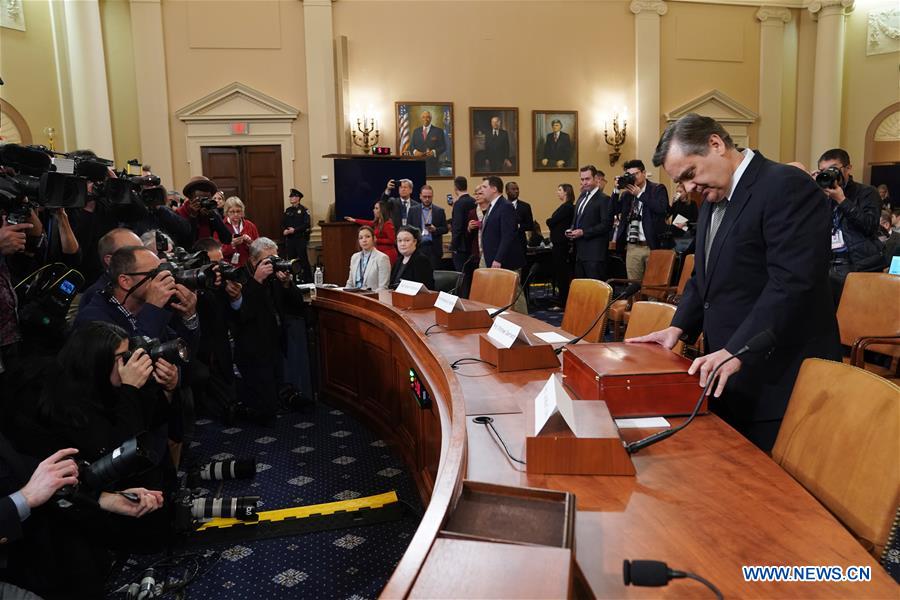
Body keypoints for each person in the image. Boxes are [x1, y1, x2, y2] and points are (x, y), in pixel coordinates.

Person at [628, 113, 841, 452]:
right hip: (728, 371)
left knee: (776, 494)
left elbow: (792, 282)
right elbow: (705, 276)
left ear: (716, 144)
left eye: (689, 174)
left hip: (777, 378)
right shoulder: (716, 196)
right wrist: (678, 328)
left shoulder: (785, 185)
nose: (687, 189)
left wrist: (738, 350)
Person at [0, 438, 162, 599]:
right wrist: (23, 498)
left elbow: (26, 472)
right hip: (22, 569)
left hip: (61, 543)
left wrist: (104, 499)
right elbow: (28, 491)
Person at [229, 238, 306, 425]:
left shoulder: (276, 278)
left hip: (275, 342)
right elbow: (243, 315)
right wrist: (257, 281)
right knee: (264, 409)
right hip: (252, 348)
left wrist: (288, 284)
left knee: (275, 393)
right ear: (255, 261)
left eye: (276, 257)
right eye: (268, 260)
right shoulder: (242, 278)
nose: (274, 263)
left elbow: (297, 307)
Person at [812, 148, 884, 305]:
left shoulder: (866, 192)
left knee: (855, 315)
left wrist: (842, 200)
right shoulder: (821, 195)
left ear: (848, 168)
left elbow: (869, 226)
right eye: (823, 171)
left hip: (856, 264)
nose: (829, 174)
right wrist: (811, 190)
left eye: (833, 169)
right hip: (827, 264)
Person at [611, 159, 670, 280]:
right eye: (629, 175)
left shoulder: (657, 189)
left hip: (652, 246)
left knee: (653, 287)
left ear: (644, 172)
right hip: (632, 247)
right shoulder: (627, 194)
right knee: (633, 287)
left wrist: (640, 195)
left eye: (636, 174)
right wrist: (616, 190)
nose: (633, 177)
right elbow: (612, 211)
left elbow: (662, 209)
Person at [77, 228, 143, 312]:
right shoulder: (97, 295)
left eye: (143, 249)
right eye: (131, 253)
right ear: (110, 260)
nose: (143, 256)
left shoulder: (144, 283)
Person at [566, 165, 613, 280]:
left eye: (587, 179)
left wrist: (583, 232)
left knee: (595, 292)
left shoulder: (603, 199)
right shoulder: (582, 197)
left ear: (596, 179)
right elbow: (577, 219)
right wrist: (571, 230)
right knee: (582, 291)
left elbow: (606, 225)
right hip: (579, 253)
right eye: (582, 179)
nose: (584, 182)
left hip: (595, 254)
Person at [478, 176, 524, 271]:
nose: (481, 190)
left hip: (504, 262)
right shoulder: (491, 206)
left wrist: (498, 259)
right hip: (491, 258)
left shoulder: (505, 206)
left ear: (494, 189)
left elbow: (507, 235)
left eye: (484, 187)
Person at [175, 176, 233, 245]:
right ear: (191, 199)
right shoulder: (180, 212)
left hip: (208, 252)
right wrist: (193, 216)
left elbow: (227, 239)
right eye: (201, 199)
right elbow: (187, 243)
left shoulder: (211, 212)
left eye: (207, 199)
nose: (204, 202)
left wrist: (213, 216)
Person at [546, 183, 576, 306]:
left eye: (559, 190)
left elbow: (551, 221)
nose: (557, 192)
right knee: (560, 272)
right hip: (559, 243)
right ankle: (561, 298)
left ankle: (563, 300)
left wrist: (549, 221)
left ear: (566, 192)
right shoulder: (564, 207)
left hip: (562, 245)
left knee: (562, 273)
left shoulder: (567, 207)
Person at [406, 185, 448, 269]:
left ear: (432, 196)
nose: (427, 199)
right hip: (418, 247)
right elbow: (408, 229)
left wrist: (435, 229)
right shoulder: (413, 210)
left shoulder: (439, 211)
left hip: (433, 248)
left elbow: (445, 229)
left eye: (429, 197)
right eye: (425, 197)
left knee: (434, 274)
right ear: (420, 196)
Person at [345, 199, 398, 264]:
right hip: (380, 253)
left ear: (382, 210)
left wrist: (375, 240)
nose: (374, 210)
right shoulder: (378, 222)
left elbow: (392, 240)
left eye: (376, 208)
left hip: (388, 254)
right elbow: (368, 223)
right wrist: (355, 220)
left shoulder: (388, 224)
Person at [221, 196, 260, 268]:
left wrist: (250, 242)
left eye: (238, 211)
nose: (235, 214)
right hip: (228, 266)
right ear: (227, 213)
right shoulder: (221, 226)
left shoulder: (250, 225)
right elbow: (218, 251)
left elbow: (258, 248)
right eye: (232, 212)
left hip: (247, 265)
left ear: (242, 212)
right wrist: (232, 244)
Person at [449, 176, 476, 276]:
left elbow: (457, 227)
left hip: (461, 247)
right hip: (472, 245)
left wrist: (453, 246)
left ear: (455, 188)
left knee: (462, 277)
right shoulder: (474, 201)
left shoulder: (458, 203)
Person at [282, 188, 312, 281]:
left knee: (303, 260)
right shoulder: (288, 210)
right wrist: (285, 230)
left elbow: (307, 224)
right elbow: (283, 223)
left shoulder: (304, 210)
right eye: (290, 196)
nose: (290, 198)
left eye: (293, 196)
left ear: (298, 198)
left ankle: (308, 279)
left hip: (300, 239)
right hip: (290, 239)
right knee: (291, 260)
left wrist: (294, 230)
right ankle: (292, 280)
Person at [410, 111, 446, 176]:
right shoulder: (416, 131)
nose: (425, 119)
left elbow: (443, 147)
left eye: (428, 117)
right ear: (421, 118)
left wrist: (434, 152)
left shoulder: (438, 131)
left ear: (431, 118)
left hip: (433, 166)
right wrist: (415, 152)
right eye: (424, 117)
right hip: (418, 165)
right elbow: (411, 146)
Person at [506, 182, 534, 255]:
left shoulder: (525, 206)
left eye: (517, 189)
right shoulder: (502, 205)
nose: (516, 191)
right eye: (513, 189)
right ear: (507, 191)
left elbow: (530, 225)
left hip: (520, 243)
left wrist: (518, 226)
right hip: (505, 243)